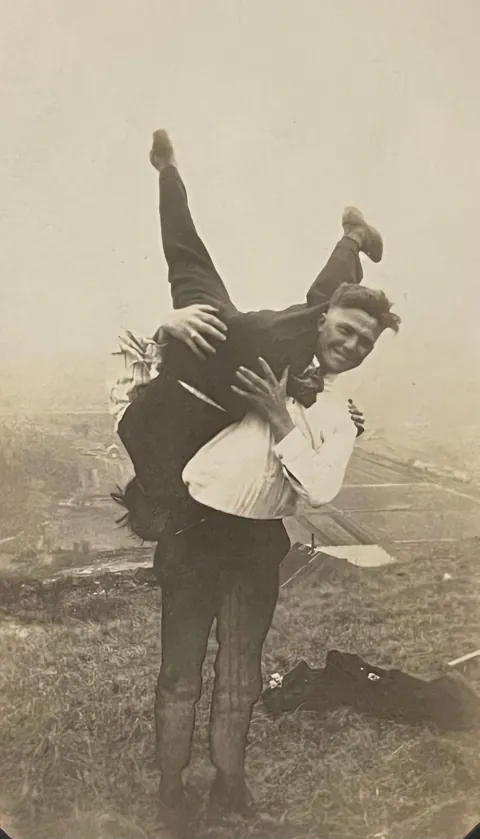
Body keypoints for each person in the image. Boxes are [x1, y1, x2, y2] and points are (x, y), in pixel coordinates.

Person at [111, 130, 401, 833]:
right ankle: (171, 796)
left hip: (254, 544)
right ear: (330, 316)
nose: (351, 344)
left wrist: (282, 415)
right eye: (346, 328)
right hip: (196, 499)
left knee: (240, 671)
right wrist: (165, 324)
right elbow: (144, 356)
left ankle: (229, 787)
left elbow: (320, 483)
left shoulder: (334, 403)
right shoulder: (269, 341)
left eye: (364, 340)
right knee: (179, 674)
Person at [115, 130, 389, 545]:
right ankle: (352, 236)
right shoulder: (192, 478)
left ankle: (167, 168)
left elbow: (126, 359)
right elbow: (261, 437)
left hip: (217, 343)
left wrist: (168, 325)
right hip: (229, 359)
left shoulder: (137, 434)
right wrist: (327, 413)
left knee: (318, 311)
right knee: (192, 260)